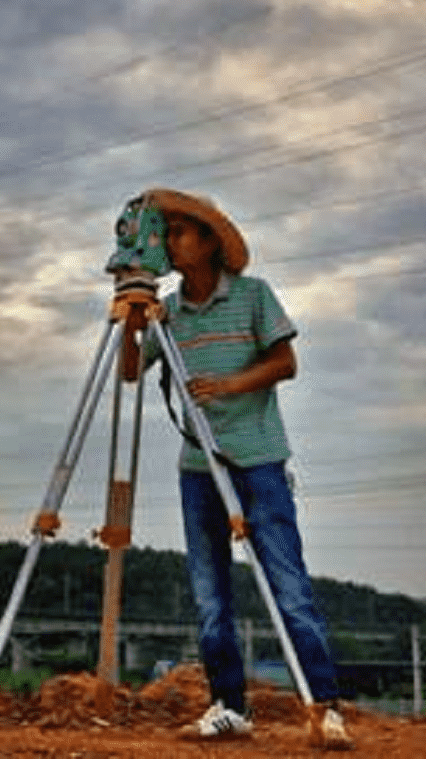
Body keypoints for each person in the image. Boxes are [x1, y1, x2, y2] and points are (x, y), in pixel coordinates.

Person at [140, 188, 352, 749]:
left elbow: (286, 361)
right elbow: (126, 372)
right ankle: (229, 706)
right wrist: (133, 314)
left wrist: (230, 384)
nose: (171, 241)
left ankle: (325, 707)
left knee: (288, 586)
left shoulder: (254, 296)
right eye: (169, 232)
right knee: (211, 595)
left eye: (182, 231)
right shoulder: (169, 311)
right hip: (198, 465)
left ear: (210, 241)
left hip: (258, 459)